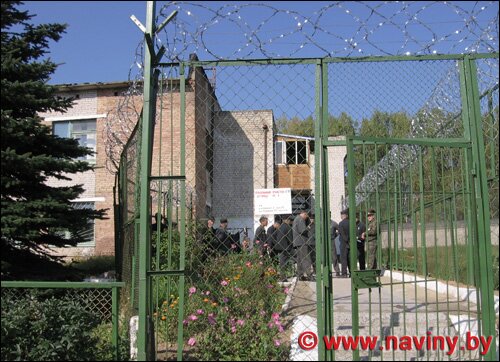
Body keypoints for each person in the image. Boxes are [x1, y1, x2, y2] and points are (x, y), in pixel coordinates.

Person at [293, 210, 312, 281]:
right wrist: (309, 227)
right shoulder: (300, 219)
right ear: (304, 214)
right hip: (302, 242)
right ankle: (309, 275)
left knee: (300, 260)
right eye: (306, 216)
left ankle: (300, 275)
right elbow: (302, 230)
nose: (306, 218)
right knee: (306, 259)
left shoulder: (296, 218)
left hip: (298, 242)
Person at [274, 215, 294, 280]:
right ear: (287, 220)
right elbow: (290, 238)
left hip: (279, 247)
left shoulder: (280, 226)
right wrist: (292, 245)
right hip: (285, 247)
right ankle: (283, 277)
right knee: (295, 258)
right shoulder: (288, 227)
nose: (290, 222)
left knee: (282, 262)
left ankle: (283, 276)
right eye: (289, 220)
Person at [338, 209, 351, 277]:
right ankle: (351, 272)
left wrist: (346, 240)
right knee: (350, 258)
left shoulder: (341, 223)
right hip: (351, 243)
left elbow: (342, 234)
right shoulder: (351, 222)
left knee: (343, 258)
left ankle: (344, 273)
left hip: (343, 243)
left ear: (343, 215)